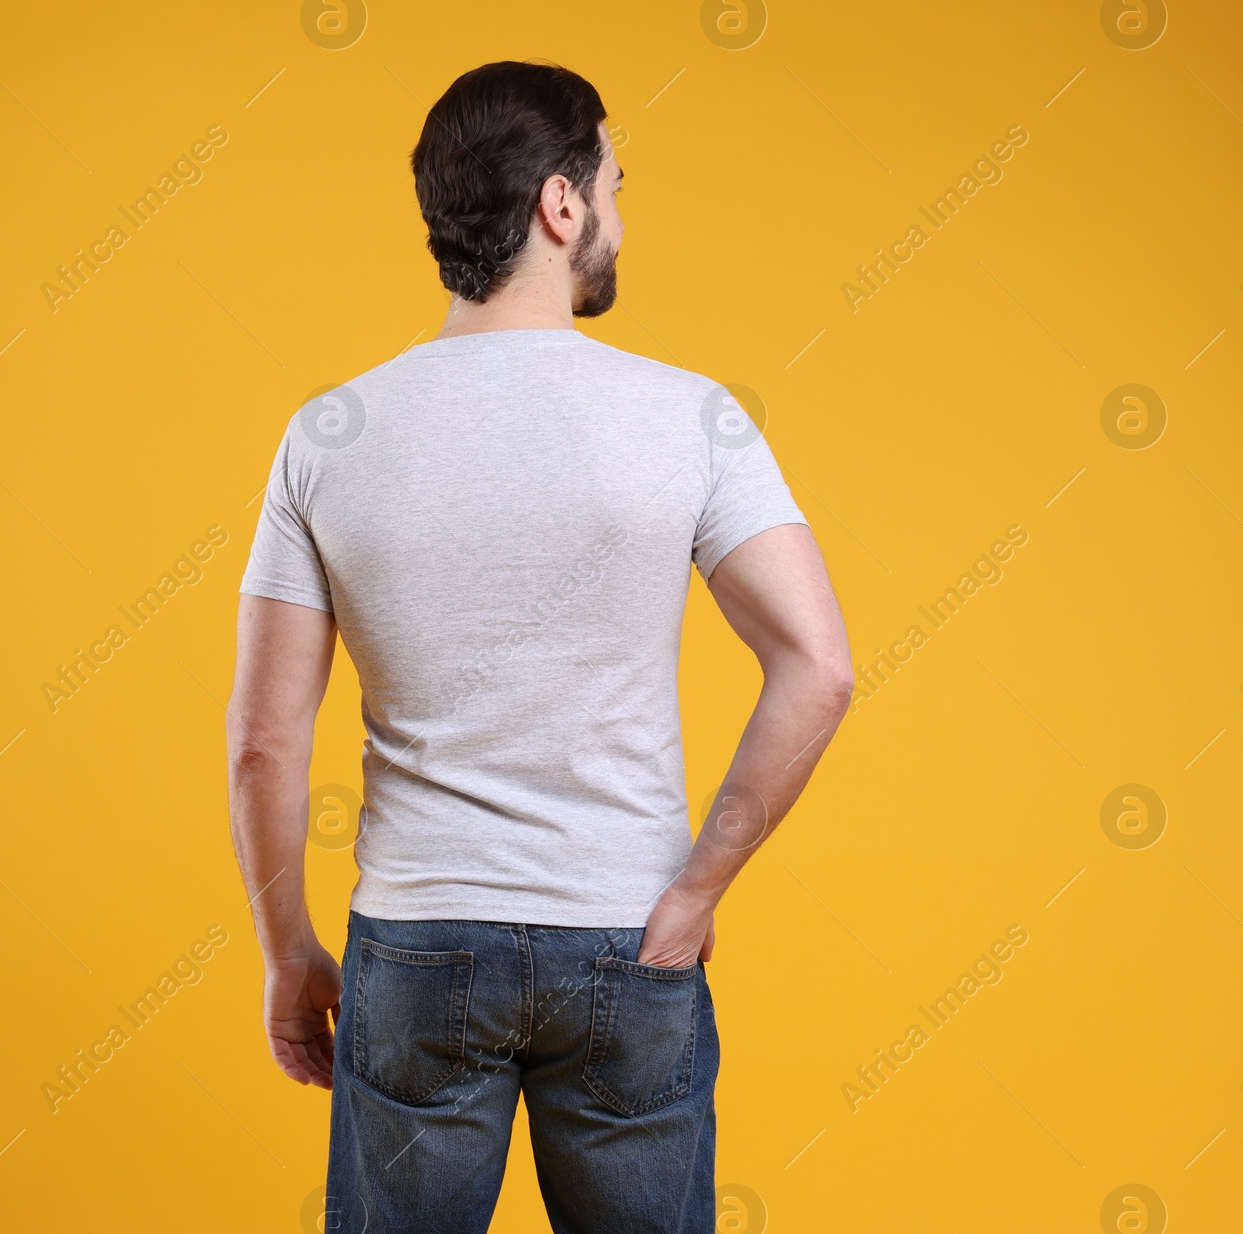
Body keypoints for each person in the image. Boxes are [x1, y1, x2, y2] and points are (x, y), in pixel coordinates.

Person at [226, 59, 853, 1234]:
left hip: (415, 943)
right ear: (560, 206)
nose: (620, 211)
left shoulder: (327, 435)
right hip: (630, 938)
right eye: (616, 181)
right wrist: (699, 886)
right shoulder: (691, 415)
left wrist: (286, 949)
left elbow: (266, 739)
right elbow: (817, 667)